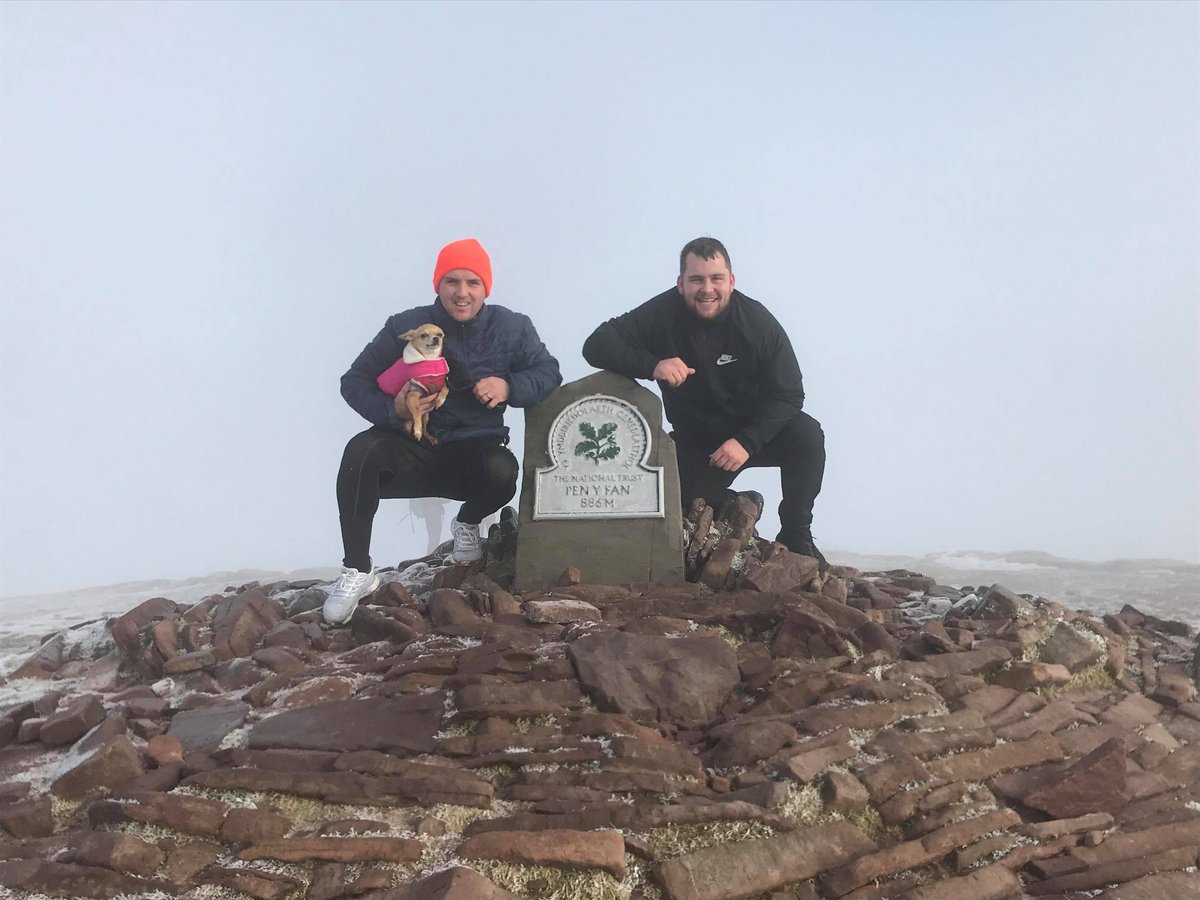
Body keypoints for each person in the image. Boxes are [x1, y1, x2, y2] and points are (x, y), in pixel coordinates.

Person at [326, 238, 562, 624]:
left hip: (475, 450)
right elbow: (354, 381)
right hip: (410, 444)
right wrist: (393, 409)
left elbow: (548, 372)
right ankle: (357, 570)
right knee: (359, 453)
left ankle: (467, 522)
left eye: (473, 282)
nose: (462, 292)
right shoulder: (405, 325)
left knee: (504, 474)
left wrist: (508, 387)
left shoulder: (514, 328)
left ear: (486, 287)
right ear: (438, 284)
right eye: (452, 281)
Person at [582, 236, 827, 566]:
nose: (707, 289)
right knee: (680, 509)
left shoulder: (756, 322)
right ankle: (740, 506)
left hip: (753, 435)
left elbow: (789, 393)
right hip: (698, 444)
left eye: (716, 279)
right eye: (696, 279)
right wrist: (652, 365)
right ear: (681, 283)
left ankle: (796, 533)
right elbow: (596, 345)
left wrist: (746, 442)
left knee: (807, 435)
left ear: (732, 281)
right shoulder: (662, 313)